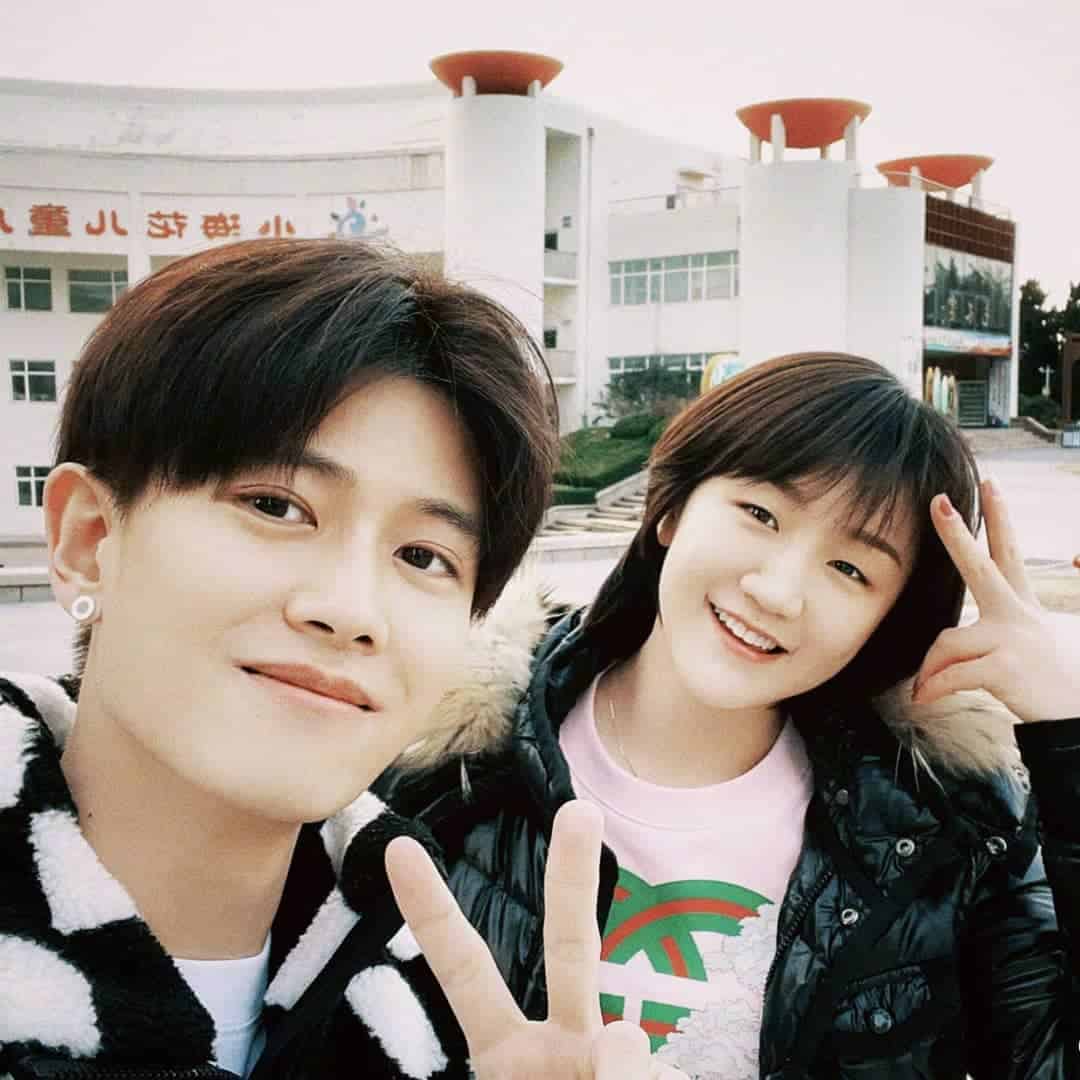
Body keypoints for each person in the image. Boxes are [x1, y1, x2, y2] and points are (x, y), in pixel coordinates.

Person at [0, 237, 685, 1080]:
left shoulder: (443, 1016)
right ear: (88, 540)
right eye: (276, 506)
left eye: (424, 556)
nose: (352, 611)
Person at [379, 352, 1080, 1078]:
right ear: (672, 509)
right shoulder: (441, 758)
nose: (778, 591)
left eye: (850, 569)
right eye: (761, 515)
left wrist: (1068, 736)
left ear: (886, 621)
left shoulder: (948, 829)